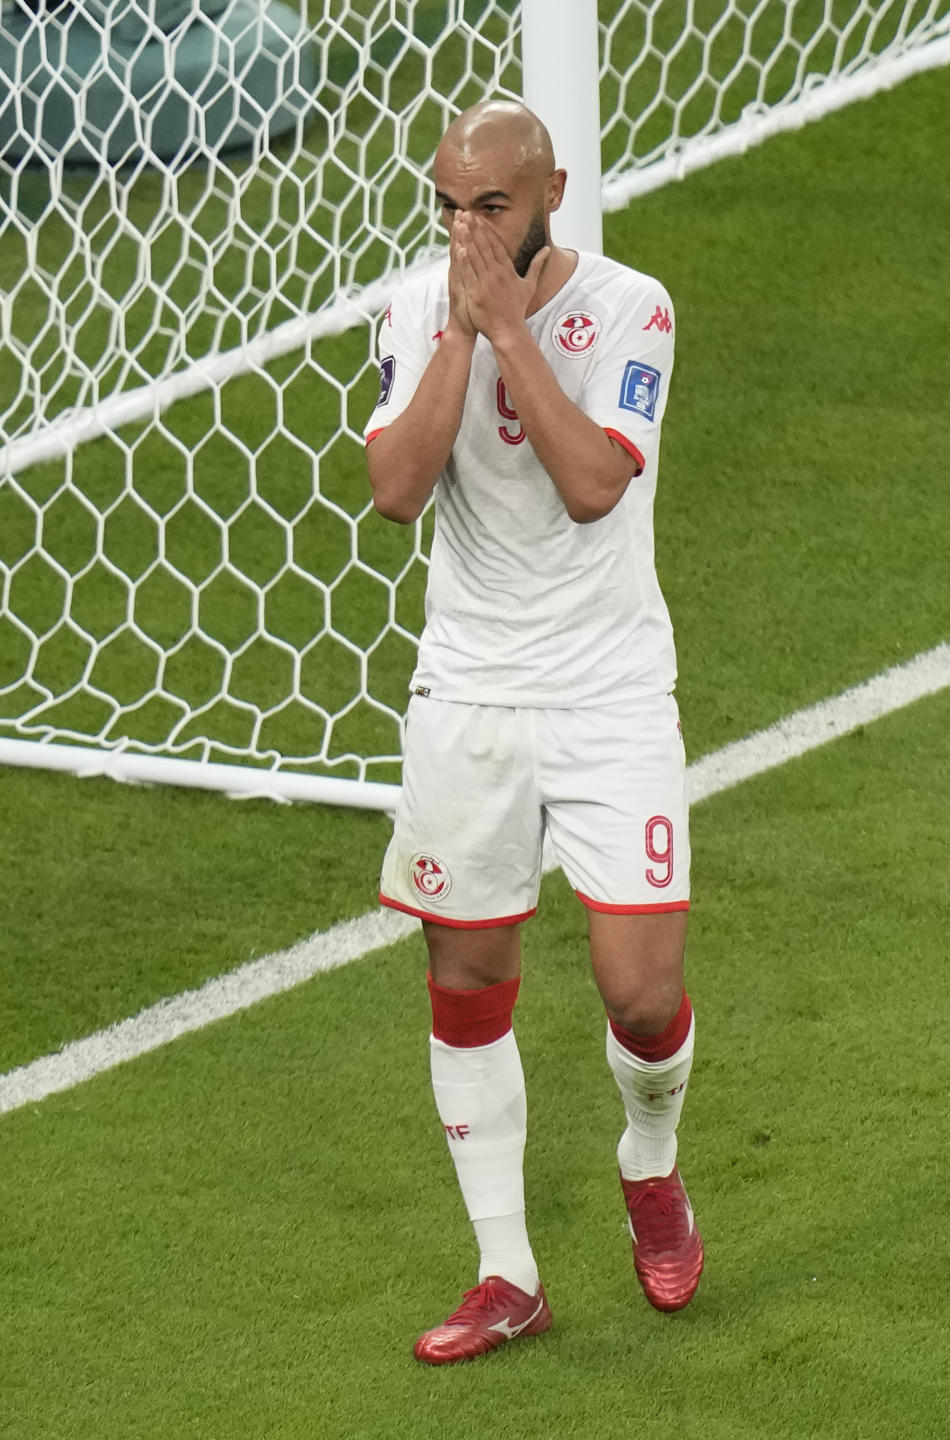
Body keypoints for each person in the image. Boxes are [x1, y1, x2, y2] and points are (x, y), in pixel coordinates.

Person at [364, 98, 702, 1365]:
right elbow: (397, 493)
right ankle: (507, 1271)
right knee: (463, 975)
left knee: (642, 988)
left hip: (611, 689)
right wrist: (463, 330)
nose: (465, 229)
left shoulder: (631, 307)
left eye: (490, 207)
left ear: (550, 190)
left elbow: (591, 485)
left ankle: (651, 1162)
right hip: (472, 694)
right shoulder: (412, 307)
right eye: (448, 205)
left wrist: (512, 331)